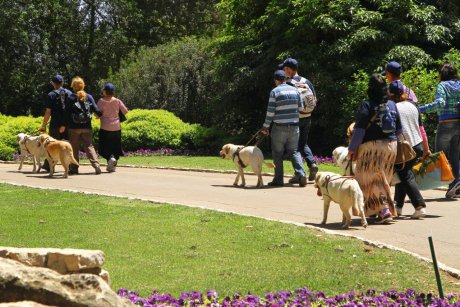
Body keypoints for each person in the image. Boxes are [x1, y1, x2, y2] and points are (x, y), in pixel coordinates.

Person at [347, 74, 402, 223]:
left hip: (372, 148)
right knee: (383, 179)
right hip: (391, 146)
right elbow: (399, 129)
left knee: (369, 179)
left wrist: (352, 149)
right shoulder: (391, 104)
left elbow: (359, 130)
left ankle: (384, 210)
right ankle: (375, 210)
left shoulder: (367, 104)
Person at [389, 80, 431, 218]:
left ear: (390, 94)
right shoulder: (414, 106)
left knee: (406, 176)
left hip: (404, 147)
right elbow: (421, 129)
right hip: (417, 145)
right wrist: (426, 148)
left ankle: (420, 206)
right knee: (403, 174)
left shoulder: (393, 108)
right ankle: (398, 207)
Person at [419, 63, 460, 198]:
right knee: (455, 156)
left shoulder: (442, 85)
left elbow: (440, 103)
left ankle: (448, 182)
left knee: (441, 156)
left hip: (445, 123)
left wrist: (420, 109)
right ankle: (455, 185)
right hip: (458, 124)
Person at [261, 70, 307, 187]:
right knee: (294, 151)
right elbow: (301, 108)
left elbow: (270, 112)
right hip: (294, 127)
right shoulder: (295, 90)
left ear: (276, 80)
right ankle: (301, 174)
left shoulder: (274, 92)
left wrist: (265, 127)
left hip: (279, 127)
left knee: (277, 153)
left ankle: (278, 179)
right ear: (286, 79)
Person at [279, 58, 319, 182]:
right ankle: (312, 164)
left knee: (293, 147)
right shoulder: (306, 81)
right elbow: (315, 100)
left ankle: (299, 174)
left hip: (294, 119)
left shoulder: (287, 83)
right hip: (307, 117)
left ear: (289, 69)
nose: (283, 71)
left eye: (284, 69)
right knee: (303, 143)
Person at [63, 76, 102, 175]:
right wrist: (100, 115)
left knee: (74, 148)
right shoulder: (89, 96)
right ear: (83, 85)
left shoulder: (71, 97)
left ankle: (74, 168)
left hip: (73, 127)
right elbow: (97, 111)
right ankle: (96, 165)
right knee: (89, 146)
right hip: (87, 127)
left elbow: (66, 113)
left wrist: (64, 125)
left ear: (73, 86)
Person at [39, 74, 72, 172]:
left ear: (53, 83)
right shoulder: (70, 93)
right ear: (63, 82)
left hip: (55, 124)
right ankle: (69, 166)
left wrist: (43, 125)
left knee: (51, 145)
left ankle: (48, 166)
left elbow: (48, 112)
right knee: (67, 145)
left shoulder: (51, 95)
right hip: (67, 124)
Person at [96, 83, 128, 172]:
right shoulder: (117, 101)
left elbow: (97, 114)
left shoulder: (101, 101)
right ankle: (112, 165)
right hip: (116, 127)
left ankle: (111, 158)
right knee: (115, 146)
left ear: (105, 91)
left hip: (105, 127)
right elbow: (125, 111)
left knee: (104, 146)